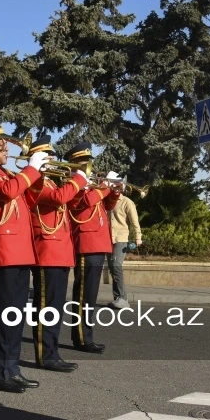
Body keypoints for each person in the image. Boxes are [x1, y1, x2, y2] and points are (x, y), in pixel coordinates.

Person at [0, 117, 49, 393]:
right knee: (3, 317)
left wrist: (37, 176)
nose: (6, 147)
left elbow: (26, 199)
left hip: (19, 251)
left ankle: (12, 368)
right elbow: (7, 193)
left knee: (15, 316)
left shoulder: (3, 172)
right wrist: (30, 170)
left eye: (5, 143)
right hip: (2, 251)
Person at [24, 136, 88, 373]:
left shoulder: (52, 181)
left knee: (56, 307)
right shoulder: (37, 182)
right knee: (46, 307)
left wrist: (80, 187)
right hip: (46, 250)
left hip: (60, 250)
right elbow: (58, 199)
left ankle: (52, 352)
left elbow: (70, 204)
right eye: (47, 156)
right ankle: (44, 354)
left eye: (51, 156)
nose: (52, 160)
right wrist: (78, 180)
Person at [67, 144, 119, 354]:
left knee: (91, 294)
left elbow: (106, 206)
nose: (88, 166)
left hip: (98, 243)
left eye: (89, 162)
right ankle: (81, 338)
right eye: (83, 162)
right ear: (73, 164)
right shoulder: (73, 183)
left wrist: (114, 192)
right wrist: (105, 186)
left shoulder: (92, 184)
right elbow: (84, 202)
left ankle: (86, 335)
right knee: (83, 295)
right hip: (85, 244)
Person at [106, 177, 141, 309]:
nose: (115, 187)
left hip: (121, 238)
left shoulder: (127, 202)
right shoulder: (107, 200)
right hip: (108, 238)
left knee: (116, 266)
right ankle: (118, 298)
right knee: (113, 269)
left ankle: (122, 298)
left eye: (117, 186)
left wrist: (138, 236)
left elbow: (134, 221)